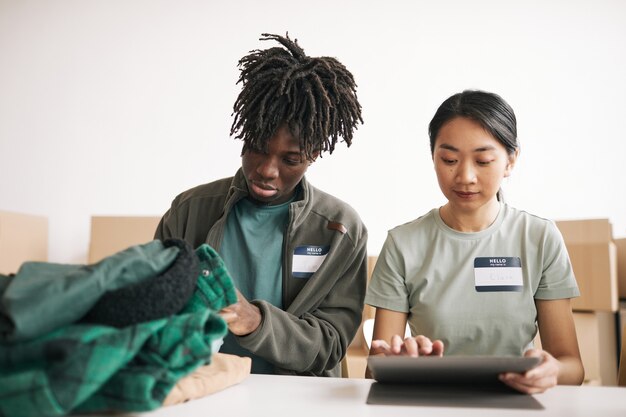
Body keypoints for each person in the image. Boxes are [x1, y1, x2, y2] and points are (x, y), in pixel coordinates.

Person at [154, 33, 367, 377]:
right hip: (205, 389)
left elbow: (328, 346)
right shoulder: (189, 211)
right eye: (256, 147)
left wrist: (252, 319)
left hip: (299, 400)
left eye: (291, 159)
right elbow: (155, 313)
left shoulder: (340, 228)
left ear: (313, 155)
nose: (267, 170)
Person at [364, 90, 584, 393]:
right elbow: (375, 366)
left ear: (510, 161)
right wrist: (401, 360)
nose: (465, 176)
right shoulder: (403, 244)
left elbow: (571, 365)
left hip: (516, 401)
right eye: (449, 159)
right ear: (433, 158)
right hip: (430, 401)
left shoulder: (539, 238)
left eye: (483, 161)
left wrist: (550, 371)